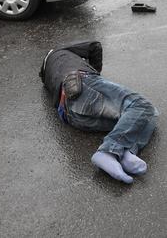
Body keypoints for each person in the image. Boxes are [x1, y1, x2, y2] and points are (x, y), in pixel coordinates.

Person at [40, 41, 158, 184]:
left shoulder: (46, 74)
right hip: (83, 85)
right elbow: (94, 46)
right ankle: (108, 151)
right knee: (143, 107)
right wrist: (96, 74)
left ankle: (125, 153)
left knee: (138, 119)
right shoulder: (60, 50)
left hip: (72, 116)